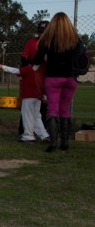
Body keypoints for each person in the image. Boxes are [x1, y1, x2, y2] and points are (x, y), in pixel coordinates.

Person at [33, 12, 81, 152]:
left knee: (52, 109)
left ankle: (53, 143)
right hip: (70, 78)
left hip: (53, 78)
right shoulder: (75, 40)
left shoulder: (47, 40)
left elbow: (36, 62)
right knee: (65, 108)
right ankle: (65, 142)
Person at [0, 63, 49, 143]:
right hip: (38, 96)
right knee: (36, 116)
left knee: (27, 116)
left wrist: (3, 67)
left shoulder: (29, 68)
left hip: (28, 96)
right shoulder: (42, 70)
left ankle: (28, 136)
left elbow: (17, 71)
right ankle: (44, 135)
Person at [19, 20, 49, 134]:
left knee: (44, 105)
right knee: (28, 104)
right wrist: (25, 73)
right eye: (40, 32)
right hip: (33, 76)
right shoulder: (32, 42)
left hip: (47, 77)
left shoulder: (53, 44)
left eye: (44, 32)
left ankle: (44, 131)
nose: (41, 35)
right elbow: (24, 59)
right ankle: (24, 130)